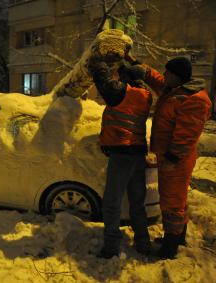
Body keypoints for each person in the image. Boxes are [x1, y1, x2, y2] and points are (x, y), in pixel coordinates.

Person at [125, 55, 212, 259]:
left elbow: (186, 136)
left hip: (177, 160)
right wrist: (142, 70)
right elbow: (158, 80)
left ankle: (170, 247)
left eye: (168, 73)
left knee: (172, 201)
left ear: (177, 76)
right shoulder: (175, 90)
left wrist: (172, 160)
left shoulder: (193, 100)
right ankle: (178, 236)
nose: (164, 76)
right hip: (170, 157)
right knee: (177, 199)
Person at [87, 59, 152, 259]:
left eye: (122, 78)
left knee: (112, 203)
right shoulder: (146, 95)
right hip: (138, 154)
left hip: (122, 155)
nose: (119, 80)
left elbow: (107, 85)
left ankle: (111, 246)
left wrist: (98, 62)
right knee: (137, 202)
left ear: (128, 80)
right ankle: (143, 242)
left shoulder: (125, 93)